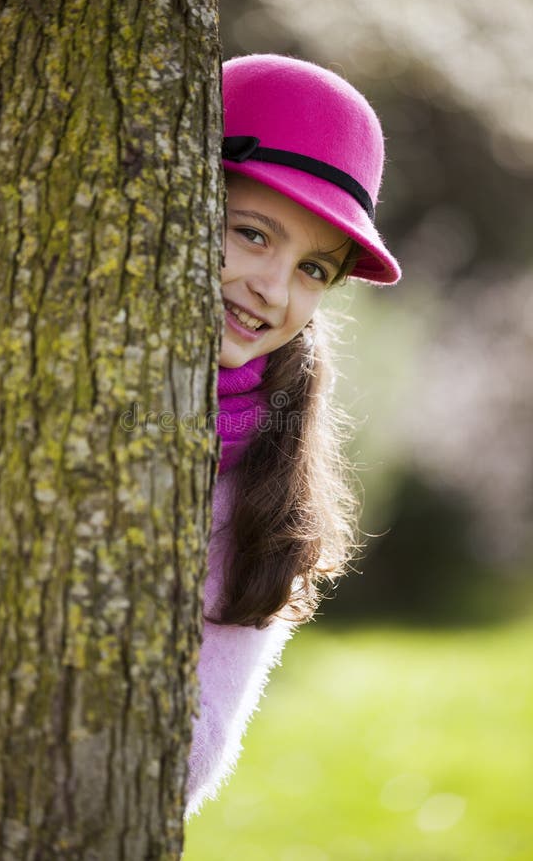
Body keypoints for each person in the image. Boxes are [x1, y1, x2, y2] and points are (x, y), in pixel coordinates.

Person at [185, 54, 401, 817]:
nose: (273, 289)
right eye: (250, 233)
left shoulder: (263, 475)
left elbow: (196, 750)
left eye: (313, 268)